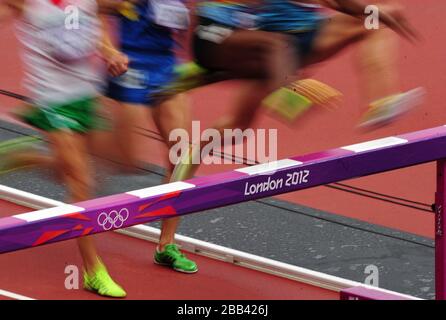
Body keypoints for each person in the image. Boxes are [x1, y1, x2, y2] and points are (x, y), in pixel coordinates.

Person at [0, 0, 126, 297]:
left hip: (85, 95)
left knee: (89, 167)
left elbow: (95, 23)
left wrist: (110, 52)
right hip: (52, 99)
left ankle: (20, 156)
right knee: (81, 183)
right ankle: (93, 270)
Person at [98, 0, 198, 273]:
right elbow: (92, 10)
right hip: (129, 65)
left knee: (183, 156)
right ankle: (54, 152)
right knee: (125, 161)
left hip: (165, 65)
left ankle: (166, 245)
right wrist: (108, 50)